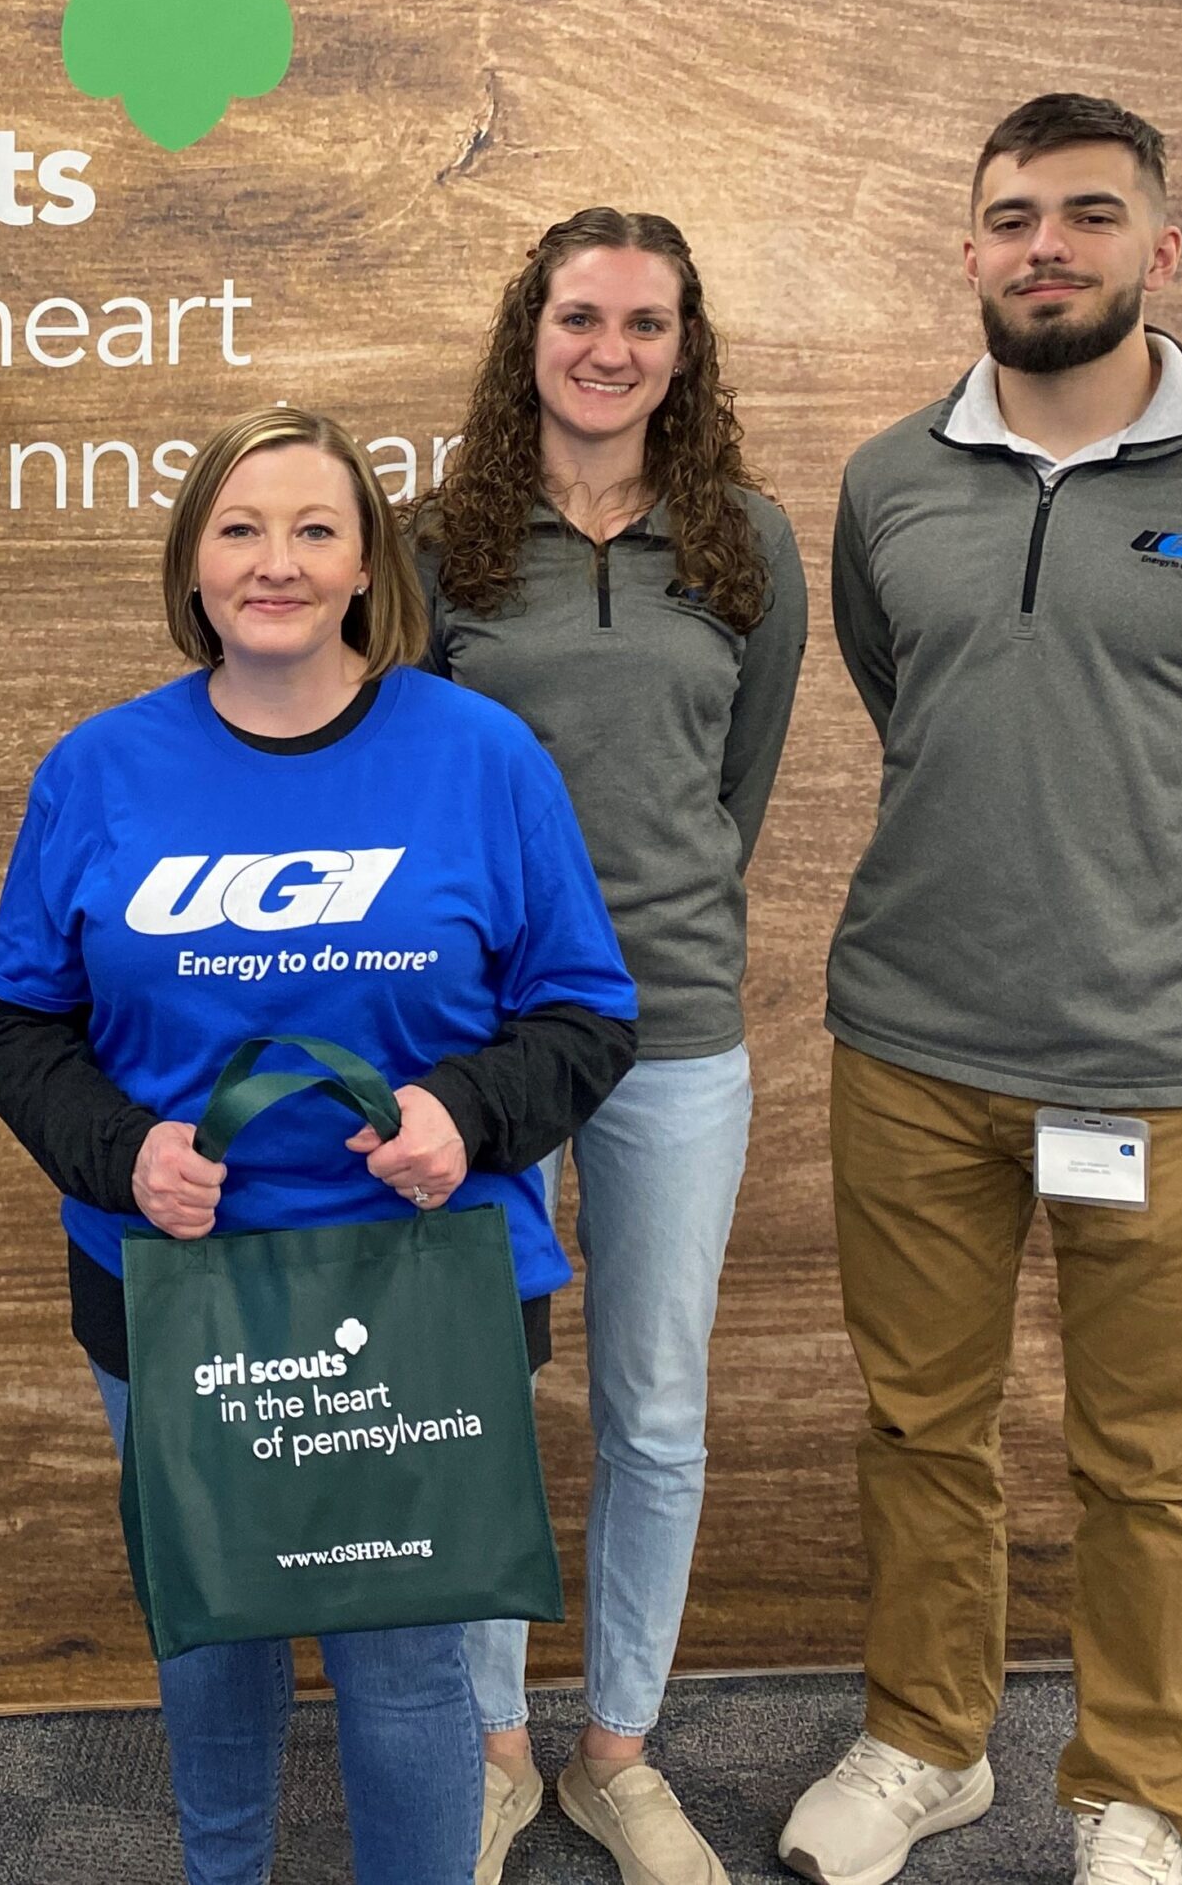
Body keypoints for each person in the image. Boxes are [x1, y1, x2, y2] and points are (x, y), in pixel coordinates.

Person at [0, 404, 640, 1885]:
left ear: (365, 566)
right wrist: (121, 1150)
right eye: (241, 528)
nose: (276, 561)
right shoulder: (99, 769)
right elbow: (13, 1024)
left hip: (422, 1284)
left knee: (407, 1665)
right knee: (214, 1634)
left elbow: (589, 1014)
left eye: (314, 529)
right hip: (171, 1282)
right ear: (194, 562)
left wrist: (461, 1116)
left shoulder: (482, 756)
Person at [779, 94, 1182, 1885]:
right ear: (971, 247)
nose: (1043, 246)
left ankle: (1142, 1790)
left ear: (1163, 247)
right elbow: (910, 699)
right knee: (922, 1424)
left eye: (1085, 214)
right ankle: (928, 1742)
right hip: (913, 1050)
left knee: (1154, 1460)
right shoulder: (891, 479)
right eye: (1009, 218)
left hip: (1167, 1063)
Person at [412, 207, 805, 1885]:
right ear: (533, 333)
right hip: (480, 1046)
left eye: (647, 322)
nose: (611, 349)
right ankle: (492, 1750)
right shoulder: (436, 543)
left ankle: (618, 1752)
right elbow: (395, 787)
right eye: (581, 315)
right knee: (475, 1399)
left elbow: (738, 793)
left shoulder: (750, 547)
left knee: (653, 1409)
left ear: (682, 348)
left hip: (675, 1034)